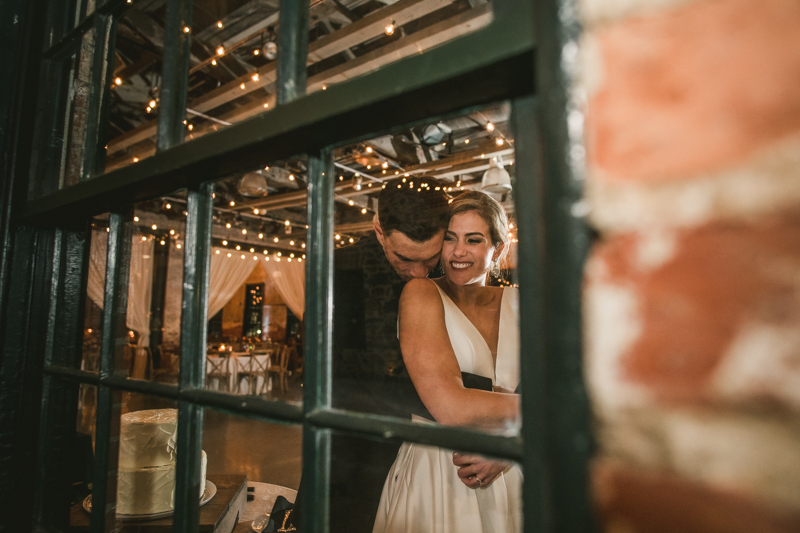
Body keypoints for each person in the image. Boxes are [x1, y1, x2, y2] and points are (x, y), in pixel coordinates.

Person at [373, 190, 522, 533]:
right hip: (440, 470)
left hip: (513, 466)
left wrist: (515, 443)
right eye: (450, 239)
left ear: (497, 248)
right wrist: (545, 414)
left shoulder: (524, 302)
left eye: (473, 240)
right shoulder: (422, 293)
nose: (457, 252)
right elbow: (448, 406)